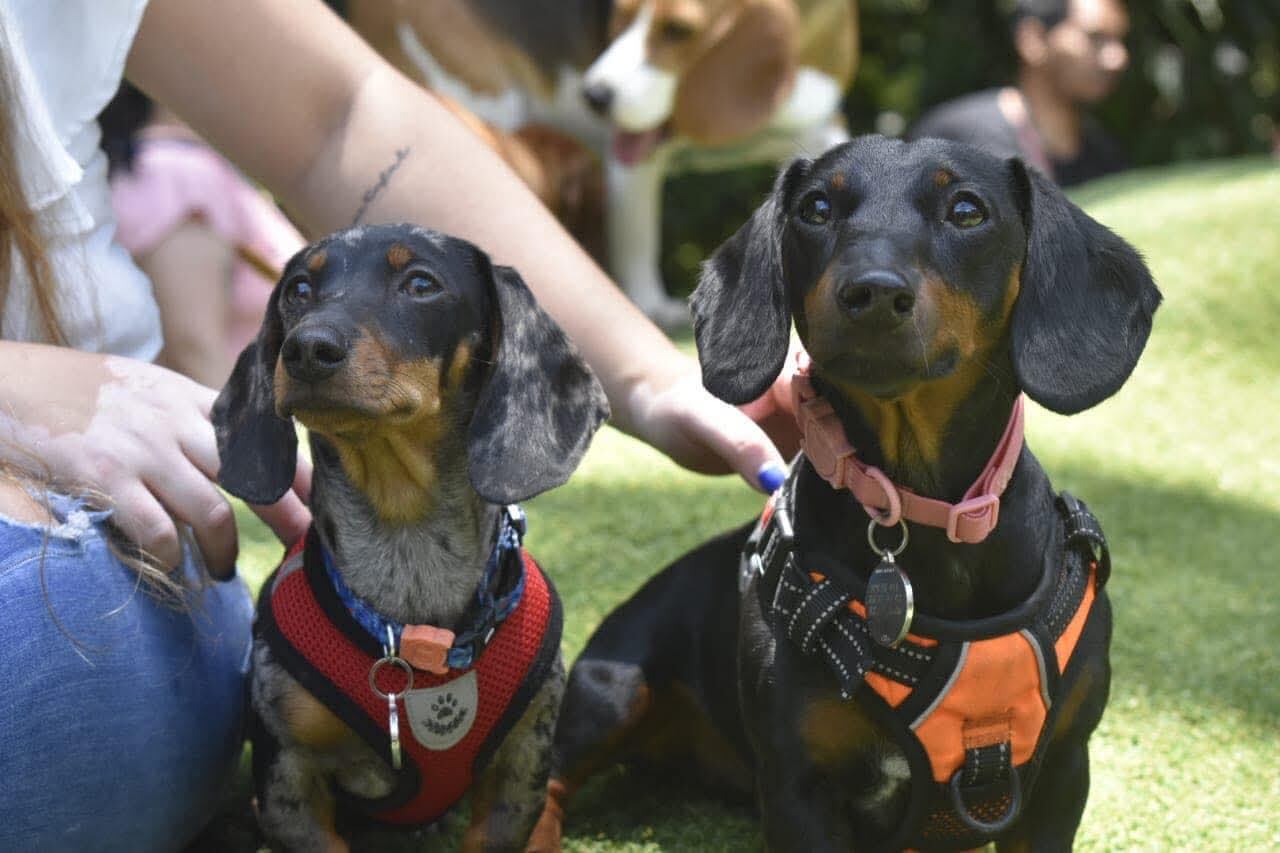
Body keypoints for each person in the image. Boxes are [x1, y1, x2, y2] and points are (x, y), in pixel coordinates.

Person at [0, 0, 790, 849]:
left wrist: (649, 375)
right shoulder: (299, 635)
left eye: (415, 289)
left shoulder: (524, 634)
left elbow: (342, 114)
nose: (314, 338)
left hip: (139, 527)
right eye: (301, 300)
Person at [102, 82, 306, 389]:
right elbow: (194, 347)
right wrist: (244, 435)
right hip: (224, 415)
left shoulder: (162, 166)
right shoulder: (178, 174)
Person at [908, 0, 1131, 187]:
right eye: (1095, 38)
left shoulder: (1102, 152)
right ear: (1033, 39)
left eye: (1119, 39)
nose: (1118, 58)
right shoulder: (961, 138)